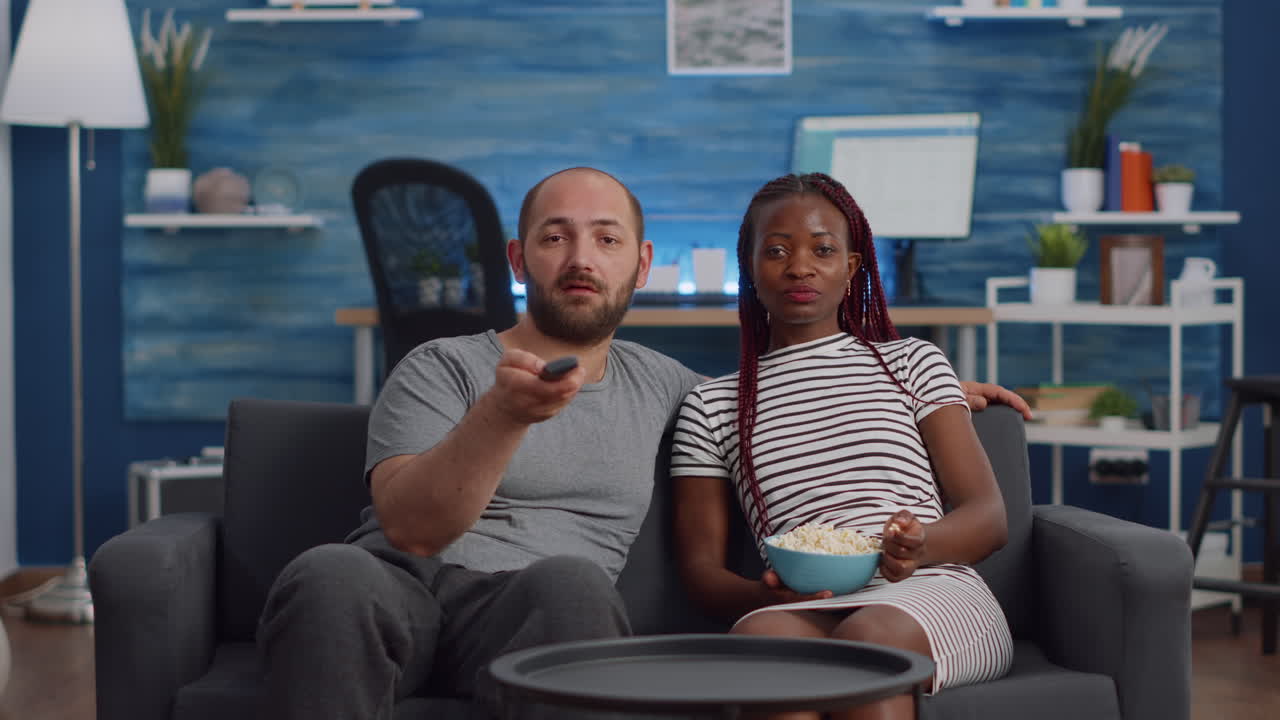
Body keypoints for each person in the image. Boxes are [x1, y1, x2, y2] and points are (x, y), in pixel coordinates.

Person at [257, 166, 1029, 720]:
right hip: (395, 591)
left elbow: (784, 395)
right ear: (520, 260)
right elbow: (411, 528)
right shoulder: (442, 365)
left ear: (642, 263)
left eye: (606, 238)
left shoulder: (674, 388)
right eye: (555, 237)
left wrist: (915, 387)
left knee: (571, 584)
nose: (581, 259)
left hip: (529, 610)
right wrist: (503, 414)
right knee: (329, 572)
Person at [670, 172, 1015, 720]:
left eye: (823, 250)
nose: (799, 267)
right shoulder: (712, 406)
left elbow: (988, 518)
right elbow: (701, 574)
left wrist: (917, 545)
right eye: (776, 251)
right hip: (800, 606)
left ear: (852, 268)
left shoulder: (912, 363)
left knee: (867, 645)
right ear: (750, 269)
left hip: (929, 592)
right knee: (762, 650)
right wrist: (765, 598)